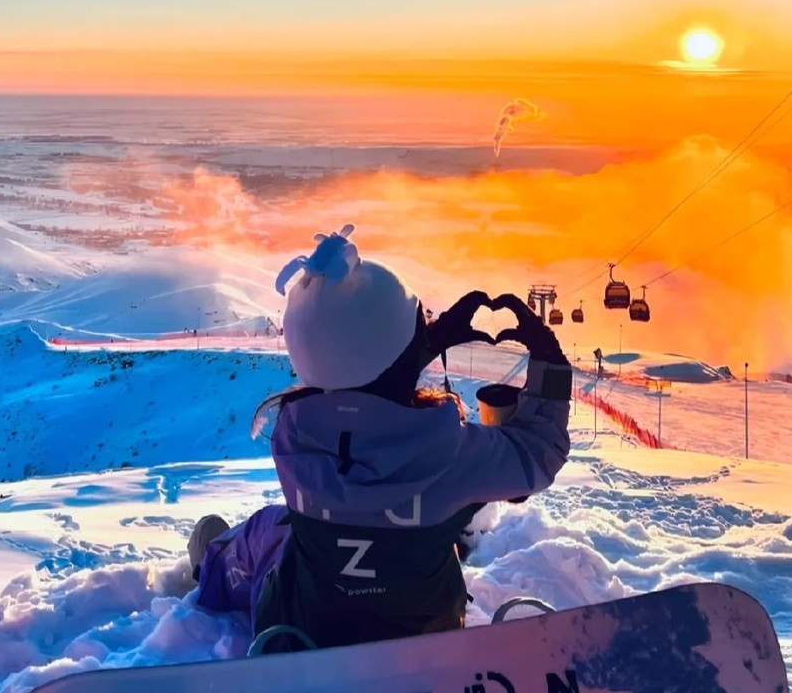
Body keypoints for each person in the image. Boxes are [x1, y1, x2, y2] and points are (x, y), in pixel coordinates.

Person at [187, 224, 572, 653]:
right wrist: (550, 364)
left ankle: (212, 564)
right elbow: (539, 451)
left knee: (268, 529)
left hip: (300, 629)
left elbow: (352, 370)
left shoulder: (293, 441)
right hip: (429, 631)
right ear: (407, 353)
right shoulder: (455, 454)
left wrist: (408, 348)